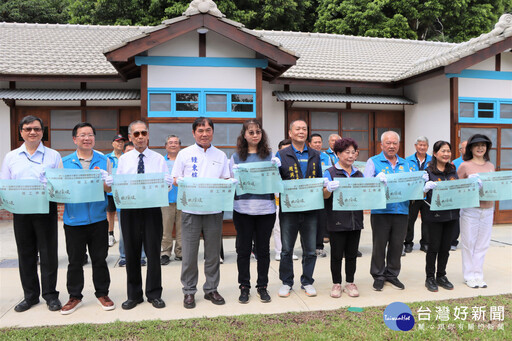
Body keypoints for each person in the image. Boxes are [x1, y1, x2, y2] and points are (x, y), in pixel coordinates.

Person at [1, 115, 62, 313]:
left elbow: (60, 184)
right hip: (21, 211)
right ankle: (30, 296)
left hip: (46, 209)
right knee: (26, 254)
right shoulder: (11, 157)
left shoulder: (53, 155)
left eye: (36, 128)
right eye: (27, 129)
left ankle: (51, 295)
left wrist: (51, 186)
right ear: (21, 133)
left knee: (48, 254)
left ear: (42, 132)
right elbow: (5, 184)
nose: (32, 132)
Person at [171, 117, 231, 309]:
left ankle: (211, 289)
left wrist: (230, 182)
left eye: (208, 130)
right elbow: (175, 178)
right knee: (189, 254)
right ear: (193, 133)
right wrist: (181, 182)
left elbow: (226, 177)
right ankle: (189, 291)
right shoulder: (184, 154)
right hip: (191, 210)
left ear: (213, 132)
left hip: (214, 210)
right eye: (200, 130)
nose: (204, 134)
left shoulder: (221, 155)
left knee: (213, 253)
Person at [60, 122, 115, 314]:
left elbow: (109, 189)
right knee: (75, 261)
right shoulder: (64, 162)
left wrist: (107, 182)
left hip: (99, 220)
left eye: (90, 134)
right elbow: (60, 192)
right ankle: (75, 296)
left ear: (94, 138)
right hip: (74, 220)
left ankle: (102, 293)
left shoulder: (103, 160)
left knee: (100, 259)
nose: (87, 138)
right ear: (75, 139)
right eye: (82, 135)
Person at [116, 120, 170, 310]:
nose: (140, 137)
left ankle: (154, 293)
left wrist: (167, 183)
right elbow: (120, 185)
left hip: (152, 210)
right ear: (130, 137)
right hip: (130, 210)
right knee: (131, 253)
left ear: (148, 135)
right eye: (136, 134)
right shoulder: (124, 160)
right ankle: (134, 295)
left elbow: (166, 185)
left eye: (143, 133)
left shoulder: (158, 159)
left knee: (153, 253)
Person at [230, 119, 278, 304]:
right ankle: (244, 286)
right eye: (251, 132)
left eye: (258, 132)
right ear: (244, 135)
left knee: (263, 250)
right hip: (242, 210)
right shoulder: (235, 158)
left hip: (266, 209)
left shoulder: (270, 156)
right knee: (243, 250)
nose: (255, 135)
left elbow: (276, 181)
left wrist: (276, 167)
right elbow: (229, 181)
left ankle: (262, 286)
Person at [276, 119, 323, 298]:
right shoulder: (281, 155)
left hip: (310, 208)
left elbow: (318, 178)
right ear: (290, 133)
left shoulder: (315, 154)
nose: (301, 132)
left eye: (304, 129)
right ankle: (287, 282)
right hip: (289, 209)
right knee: (287, 249)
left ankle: (307, 281)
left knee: (310, 248)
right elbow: (276, 181)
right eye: (297, 129)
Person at [363, 131, 411, 291]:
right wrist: (376, 181)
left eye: (395, 143)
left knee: (397, 245)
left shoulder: (406, 164)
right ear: (381, 145)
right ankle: (378, 275)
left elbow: (412, 186)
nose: (391, 146)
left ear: (399, 145)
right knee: (379, 245)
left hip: (402, 211)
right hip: (381, 212)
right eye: (388, 143)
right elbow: (366, 185)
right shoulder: (373, 162)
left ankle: (392, 274)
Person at [323, 138, 363, 298]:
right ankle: (336, 283)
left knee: (352, 254)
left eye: (353, 152)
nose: (351, 155)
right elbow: (324, 196)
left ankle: (350, 282)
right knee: (337, 254)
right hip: (336, 219)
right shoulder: (330, 172)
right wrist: (328, 189)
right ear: (338, 154)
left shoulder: (359, 173)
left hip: (355, 220)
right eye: (347, 152)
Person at [457, 134, 495, 289]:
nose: (480, 148)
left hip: (488, 209)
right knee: (468, 243)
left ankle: (478, 275)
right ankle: (469, 276)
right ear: (471, 148)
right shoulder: (465, 166)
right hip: (470, 210)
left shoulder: (490, 166)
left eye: (483, 145)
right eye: (477, 145)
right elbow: (458, 189)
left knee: (483, 244)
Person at [422, 141, 459, 292]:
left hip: (451, 215)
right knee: (433, 247)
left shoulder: (452, 170)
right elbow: (420, 195)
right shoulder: (427, 171)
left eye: (448, 151)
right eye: (442, 151)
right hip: (435, 216)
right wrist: (425, 188)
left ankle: (441, 275)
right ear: (435, 153)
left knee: (445, 248)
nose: (446, 154)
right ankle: (429, 277)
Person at [117, 142, 146, 268]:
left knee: (143, 232)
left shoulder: (153, 159)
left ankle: (142, 256)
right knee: (125, 233)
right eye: (127, 150)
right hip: (127, 203)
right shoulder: (123, 161)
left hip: (145, 202)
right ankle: (124, 256)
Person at [404, 136, 432, 253]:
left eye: (424, 145)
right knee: (410, 220)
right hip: (413, 196)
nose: (422, 147)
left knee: (427, 220)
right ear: (415, 146)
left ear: (427, 147)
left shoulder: (432, 160)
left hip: (428, 195)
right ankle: (408, 243)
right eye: (420, 145)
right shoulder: (407, 160)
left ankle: (425, 243)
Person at [273, 139, 299, 262]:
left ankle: (290, 250)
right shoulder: (275, 162)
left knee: (292, 228)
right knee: (278, 227)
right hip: (277, 201)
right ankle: (279, 251)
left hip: (292, 200)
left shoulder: (294, 162)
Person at [161, 135, 183, 265]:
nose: (173, 145)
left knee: (182, 229)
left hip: (182, 199)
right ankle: (165, 253)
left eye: (176, 142)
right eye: (170, 143)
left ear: (179, 145)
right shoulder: (161, 161)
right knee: (165, 229)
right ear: (166, 146)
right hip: (166, 200)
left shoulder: (184, 160)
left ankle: (180, 252)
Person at [309, 133, 329, 258]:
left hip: (322, 193)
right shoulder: (307, 156)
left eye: (319, 142)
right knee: (309, 221)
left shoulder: (326, 157)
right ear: (310, 144)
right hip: (309, 193)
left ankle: (319, 246)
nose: (317, 144)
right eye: (315, 142)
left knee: (321, 220)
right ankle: (309, 246)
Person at [106, 134, 126, 247]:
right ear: (113, 143)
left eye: (122, 142)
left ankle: (123, 236)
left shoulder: (126, 157)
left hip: (123, 191)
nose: (120, 144)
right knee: (110, 213)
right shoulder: (107, 158)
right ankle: (110, 235)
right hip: (110, 191)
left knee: (123, 214)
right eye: (118, 142)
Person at [449, 140, 467, 251]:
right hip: (457, 195)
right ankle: (453, 241)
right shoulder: (454, 163)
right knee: (456, 219)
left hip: (470, 196)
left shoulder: (475, 162)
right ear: (460, 150)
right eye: (466, 147)